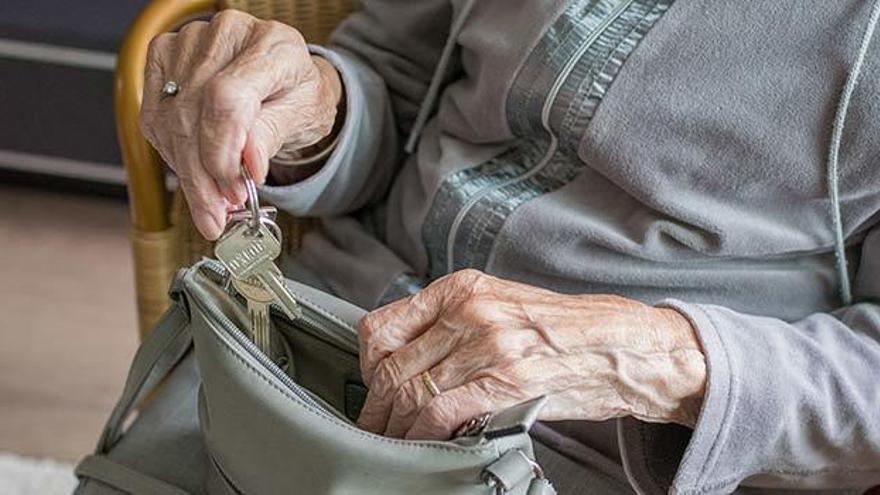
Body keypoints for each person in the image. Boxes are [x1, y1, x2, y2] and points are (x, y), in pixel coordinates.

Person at [139, 1, 880, 493]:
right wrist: (309, 116)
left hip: (584, 450)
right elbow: (400, 82)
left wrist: (643, 356)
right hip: (305, 340)